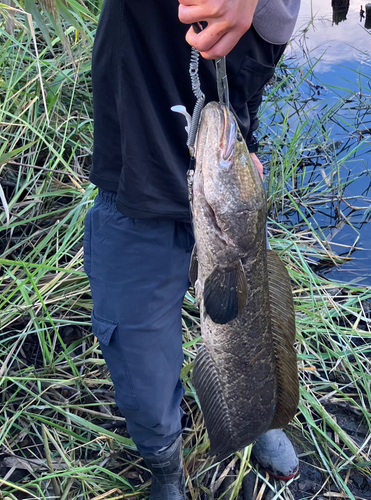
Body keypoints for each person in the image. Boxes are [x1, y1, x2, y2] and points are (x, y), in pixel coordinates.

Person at [83, 1, 301, 498]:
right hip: (136, 190)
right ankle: (165, 466)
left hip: (225, 202)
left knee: (250, 329)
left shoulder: (278, 14)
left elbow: (241, 94)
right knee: (141, 364)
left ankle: (259, 406)